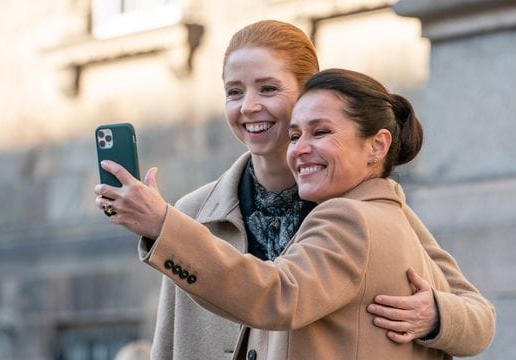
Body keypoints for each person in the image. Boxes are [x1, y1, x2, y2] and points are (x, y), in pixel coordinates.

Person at [94, 20, 495, 359]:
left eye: (268, 89)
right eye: (234, 92)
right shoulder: (193, 210)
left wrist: (435, 314)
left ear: (308, 94)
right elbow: (169, 344)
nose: (249, 106)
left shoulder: (359, 206)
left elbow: (478, 317)